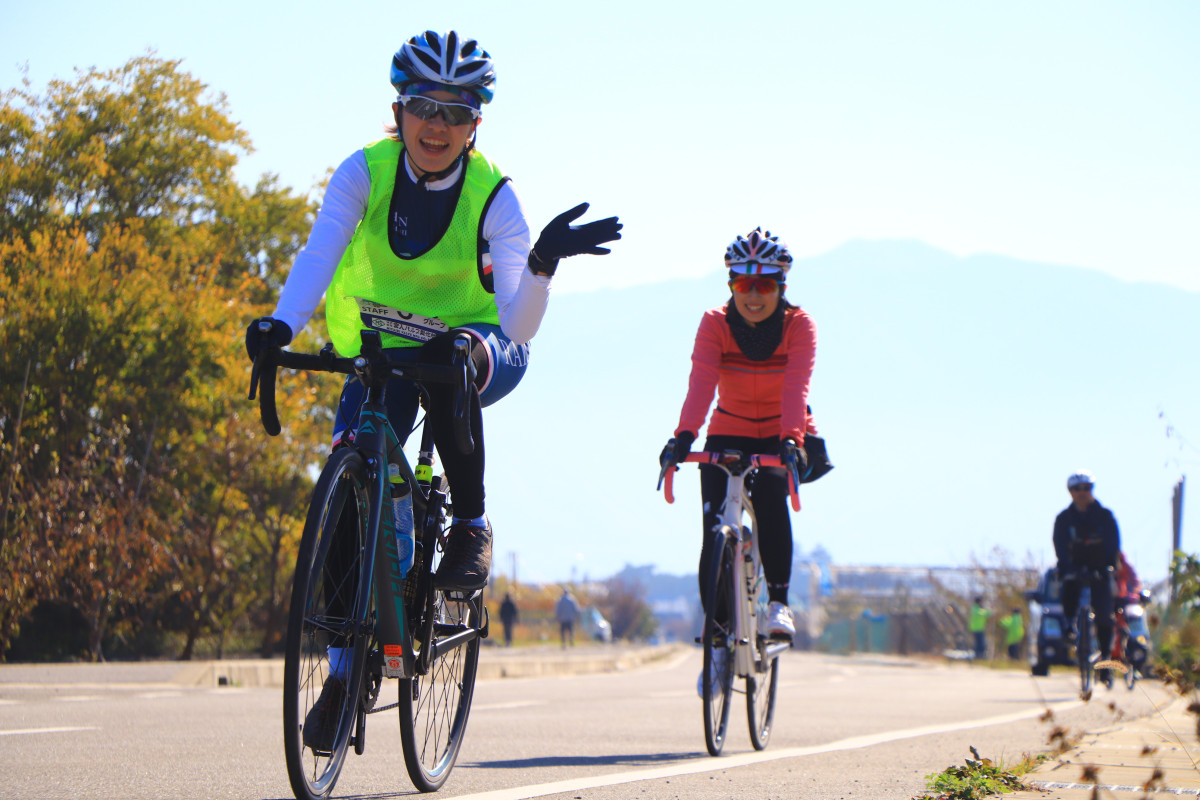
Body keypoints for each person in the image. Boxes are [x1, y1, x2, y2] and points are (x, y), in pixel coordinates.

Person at [244, 30, 621, 752]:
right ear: (399, 109)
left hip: (481, 344)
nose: (437, 125)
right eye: (423, 106)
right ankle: (345, 673)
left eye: (456, 110)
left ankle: (471, 525)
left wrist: (540, 265)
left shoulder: (494, 198)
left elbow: (521, 323)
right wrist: (280, 324)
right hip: (380, 349)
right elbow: (320, 249)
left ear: (478, 122)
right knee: (349, 503)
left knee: (452, 361)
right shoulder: (364, 171)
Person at [660, 228, 819, 648]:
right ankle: (717, 641)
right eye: (743, 284)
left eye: (765, 284)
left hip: (777, 433)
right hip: (728, 430)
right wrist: (683, 437)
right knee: (714, 530)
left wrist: (791, 440)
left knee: (770, 501)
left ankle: (778, 603)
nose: (753, 295)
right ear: (730, 284)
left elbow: (795, 390)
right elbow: (702, 383)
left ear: (781, 287)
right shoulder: (715, 323)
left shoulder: (798, 326)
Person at [1053, 469, 1121, 683]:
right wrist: (1067, 566)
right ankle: (1069, 627)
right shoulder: (1064, 518)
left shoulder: (1104, 516)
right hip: (1074, 567)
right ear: (1070, 492)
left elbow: (1113, 543)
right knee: (1069, 590)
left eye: (1086, 488)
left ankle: (1106, 662)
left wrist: (1109, 566)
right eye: (1077, 489)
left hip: (1100, 569)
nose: (1082, 493)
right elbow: (1060, 545)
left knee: (1103, 615)